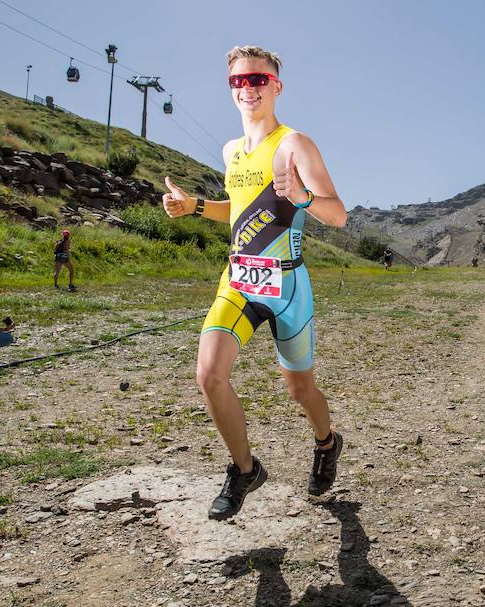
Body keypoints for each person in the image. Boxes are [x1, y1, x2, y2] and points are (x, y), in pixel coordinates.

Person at [161, 45, 348, 520]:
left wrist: (303, 197)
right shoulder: (230, 150)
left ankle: (326, 443)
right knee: (209, 375)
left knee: (300, 391)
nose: (248, 88)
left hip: (287, 288)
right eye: (238, 82)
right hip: (239, 283)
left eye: (258, 80)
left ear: (277, 86)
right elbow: (240, 208)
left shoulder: (294, 144)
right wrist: (196, 207)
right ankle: (244, 470)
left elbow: (338, 215)